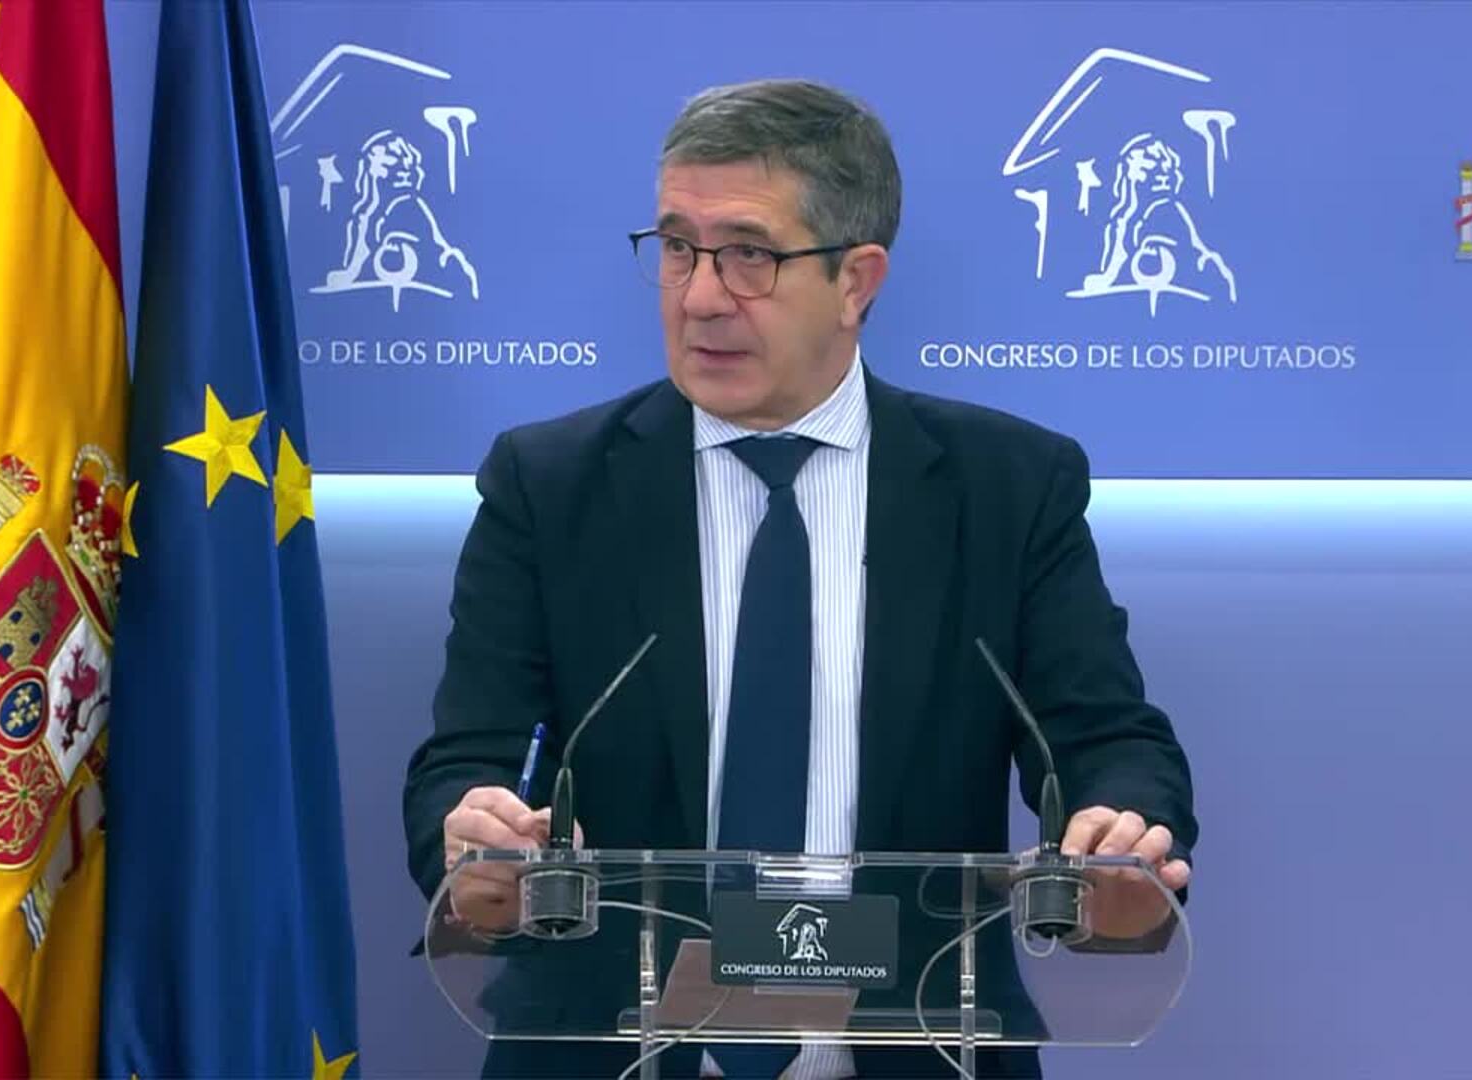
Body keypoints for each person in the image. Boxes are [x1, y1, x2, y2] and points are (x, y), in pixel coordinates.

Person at [403, 78, 1197, 1079]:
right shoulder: (550, 485)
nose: (700, 296)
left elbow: (1109, 741)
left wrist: (1119, 835)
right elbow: (467, 758)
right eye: (677, 248)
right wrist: (474, 838)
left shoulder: (1006, 487)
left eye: (749, 255)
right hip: (609, 1053)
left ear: (857, 281)